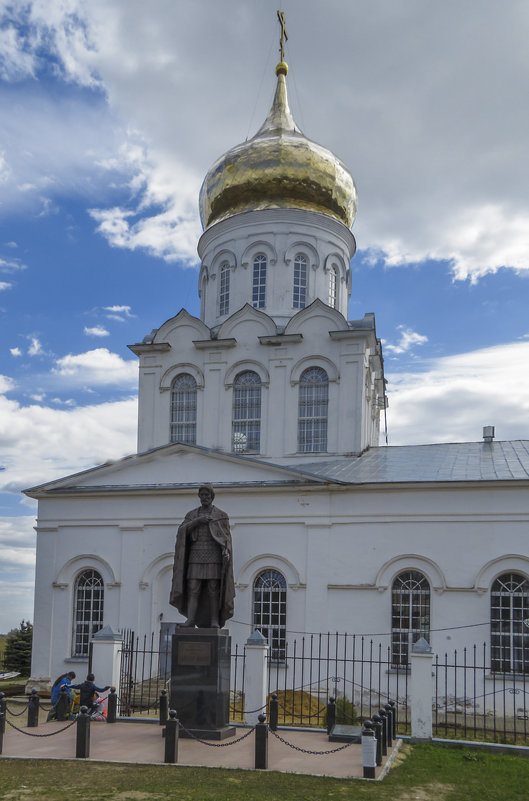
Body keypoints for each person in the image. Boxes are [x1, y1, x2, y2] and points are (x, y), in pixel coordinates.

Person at [170, 483, 235, 628]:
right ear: (199, 497)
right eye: (202, 495)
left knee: (213, 589)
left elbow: (226, 539)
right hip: (195, 554)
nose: (205, 498)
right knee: (193, 588)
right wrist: (197, 522)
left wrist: (226, 551)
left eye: (207, 495)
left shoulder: (221, 515)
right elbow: (182, 532)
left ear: (212, 497)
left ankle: (214, 620)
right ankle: (191, 620)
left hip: (213, 556)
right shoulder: (192, 515)